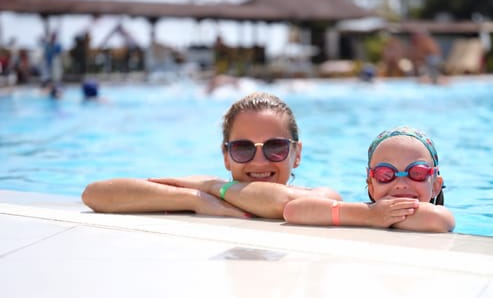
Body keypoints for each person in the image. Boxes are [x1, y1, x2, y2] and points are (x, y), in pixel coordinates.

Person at [81, 92, 341, 219]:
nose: (259, 161)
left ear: (296, 154)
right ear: (226, 156)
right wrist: (194, 198)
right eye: (242, 148)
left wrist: (210, 186)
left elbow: (284, 205)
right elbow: (95, 194)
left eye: (276, 147)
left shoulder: (321, 196)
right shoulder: (208, 196)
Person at [283, 126, 455, 232]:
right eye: (386, 174)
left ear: (435, 186)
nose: (401, 184)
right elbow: (293, 210)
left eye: (416, 173)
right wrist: (369, 215)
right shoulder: (366, 211)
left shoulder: (437, 216)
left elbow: (440, 219)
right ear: (371, 185)